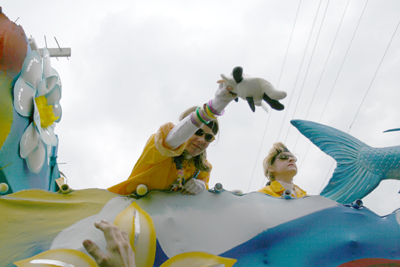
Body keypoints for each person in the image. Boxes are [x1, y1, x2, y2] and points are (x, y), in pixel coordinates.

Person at [108, 80, 236, 195]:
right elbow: (177, 136)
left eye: (208, 137)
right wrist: (215, 106)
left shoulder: (204, 168)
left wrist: (202, 186)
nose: (202, 140)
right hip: (126, 212)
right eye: (197, 132)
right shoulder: (161, 144)